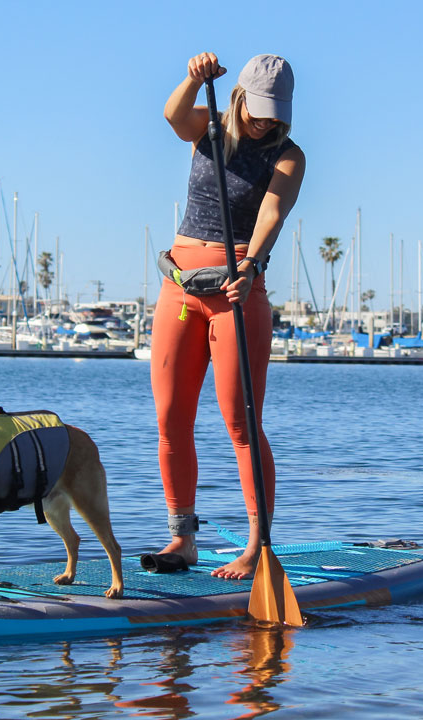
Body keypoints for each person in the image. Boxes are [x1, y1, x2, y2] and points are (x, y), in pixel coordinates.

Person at [151, 52, 306, 579]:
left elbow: (271, 212)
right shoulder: (210, 128)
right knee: (172, 421)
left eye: (275, 112)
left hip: (236, 293)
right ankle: (182, 539)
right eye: (258, 108)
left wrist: (254, 262)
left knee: (241, 423)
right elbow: (174, 117)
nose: (265, 120)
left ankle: (257, 544)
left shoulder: (288, 154)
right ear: (238, 95)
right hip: (179, 289)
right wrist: (193, 79)